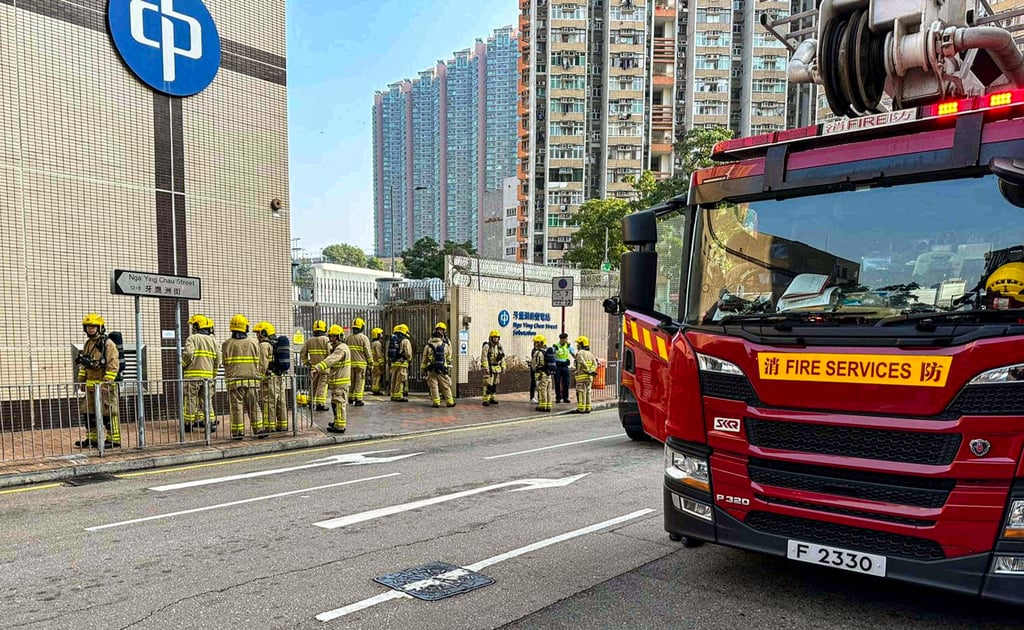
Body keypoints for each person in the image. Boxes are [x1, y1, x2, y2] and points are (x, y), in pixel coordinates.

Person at [74, 313, 122, 448]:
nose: (90, 329)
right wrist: (82, 380)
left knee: (109, 412)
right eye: (88, 327)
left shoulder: (107, 344)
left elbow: (113, 365)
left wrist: (107, 383)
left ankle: (114, 439)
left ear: (99, 327)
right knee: (89, 413)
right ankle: (92, 439)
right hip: (90, 386)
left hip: (104, 386)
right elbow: (84, 365)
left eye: (93, 327)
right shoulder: (88, 343)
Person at [222, 314, 266, 439]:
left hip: (234, 382)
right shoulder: (253, 342)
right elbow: (259, 361)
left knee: (236, 408)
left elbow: (225, 363)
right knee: (254, 406)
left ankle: (238, 432)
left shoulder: (227, 344)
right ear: (245, 327)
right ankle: (259, 430)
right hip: (251, 381)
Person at [182, 314, 220, 432]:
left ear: (197, 326)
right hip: (208, 376)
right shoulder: (213, 341)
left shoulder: (192, 338)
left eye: (193, 325)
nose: (192, 328)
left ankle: (188, 423)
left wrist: (183, 364)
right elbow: (218, 358)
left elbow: (188, 354)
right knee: (206, 400)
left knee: (190, 399)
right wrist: (213, 373)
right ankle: (211, 423)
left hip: (193, 376)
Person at [314, 324, 350, 433]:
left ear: (339, 336)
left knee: (339, 403)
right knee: (335, 403)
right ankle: (337, 421)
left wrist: (318, 367)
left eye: (333, 336)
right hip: (337, 380)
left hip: (340, 381)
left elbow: (332, 359)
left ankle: (340, 426)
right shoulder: (337, 347)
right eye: (330, 336)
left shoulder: (341, 348)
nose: (331, 339)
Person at [256, 322, 289, 432]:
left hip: (270, 379)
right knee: (281, 401)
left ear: (264, 333)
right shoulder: (275, 344)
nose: (257, 336)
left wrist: (259, 378)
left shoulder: (263, 345)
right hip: (279, 377)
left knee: (269, 402)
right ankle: (283, 425)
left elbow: (263, 364)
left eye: (258, 333)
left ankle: (270, 426)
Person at [421, 322, 455, 408]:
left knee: (433, 386)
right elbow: (449, 354)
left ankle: (436, 402)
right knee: (445, 385)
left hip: (431, 368)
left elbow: (425, 358)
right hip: (442, 368)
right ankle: (450, 402)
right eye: (439, 329)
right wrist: (447, 364)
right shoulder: (446, 344)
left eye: (441, 329)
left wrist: (423, 369)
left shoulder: (429, 343)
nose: (440, 331)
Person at [301, 319, 331, 411]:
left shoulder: (309, 340)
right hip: (325, 368)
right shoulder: (326, 340)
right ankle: (320, 404)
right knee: (322, 385)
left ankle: (310, 402)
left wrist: (307, 363)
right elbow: (331, 354)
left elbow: (302, 352)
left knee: (313, 385)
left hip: (314, 367)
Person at [345, 318, 373, 406]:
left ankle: (350, 398)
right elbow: (367, 351)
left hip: (350, 364)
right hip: (361, 365)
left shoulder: (348, 338)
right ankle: (358, 399)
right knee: (359, 382)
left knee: (352, 382)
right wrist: (370, 363)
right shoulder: (364, 338)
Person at [573, 335, 598, 414]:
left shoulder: (580, 353)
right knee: (588, 392)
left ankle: (581, 408)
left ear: (581, 344)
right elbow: (595, 364)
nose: (577, 345)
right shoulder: (590, 354)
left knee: (581, 392)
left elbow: (581, 362)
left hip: (581, 376)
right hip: (589, 377)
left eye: (578, 343)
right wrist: (591, 371)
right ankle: (588, 407)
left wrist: (587, 370)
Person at [388, 324, 412, 402]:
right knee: (400, 380)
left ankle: (393, 395)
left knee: (393, 380)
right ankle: (398, 396)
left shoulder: (392, 340)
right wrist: (409, 359)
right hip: (402, 363)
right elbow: (408, 353)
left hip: (394, 363)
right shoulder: (405, 341)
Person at [481, 329, 506, 406]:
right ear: (491, 338)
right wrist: (486, 368)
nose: (496, 339)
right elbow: (484, 357)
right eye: (494, 337)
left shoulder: (499, 346)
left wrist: (503, 367)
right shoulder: (487, 346)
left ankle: (492, 398)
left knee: (495, 384)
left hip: (497, 369)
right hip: (489, 368)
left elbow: (502, 357)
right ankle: (485, 400)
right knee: (488, 384)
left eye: (497, 337)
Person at [531, 334, 553, 412]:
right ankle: (548, 405)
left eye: (536, 342)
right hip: (548, 374)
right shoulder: (547, 351)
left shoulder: (538, 353)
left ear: (540, 343)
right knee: (548, 390)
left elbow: (535, 365)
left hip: (541, 374)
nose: (535, 344)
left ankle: (542, 406)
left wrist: (533, 367)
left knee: (541, 390)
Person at [553, 332, 576, 403]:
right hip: (558, 367)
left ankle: (565, 397)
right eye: (565, 339)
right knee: (557, 382)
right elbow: (552, 355)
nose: (566, 340)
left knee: (566, 382)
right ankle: (558, 397)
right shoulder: (556, 346)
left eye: (566, 338)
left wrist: (577, 359)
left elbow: (573, 354)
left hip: (565, 366)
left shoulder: (568, 346)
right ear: (561, 339)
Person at [370, 327, 386, 395]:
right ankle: (376, 390)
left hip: (374, 363)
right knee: (378, 376)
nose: (382, 335)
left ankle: (374, 389)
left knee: (375, 377)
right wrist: (382, 363)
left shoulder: (373, 343)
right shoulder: (377, 343)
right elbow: (379, 354)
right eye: (380, 334)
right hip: (377, 364)